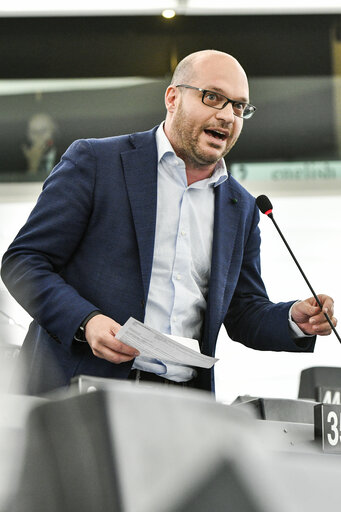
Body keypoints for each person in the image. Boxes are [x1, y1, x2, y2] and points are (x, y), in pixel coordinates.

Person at [1, 50, 337, 396]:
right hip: (78, 395)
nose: (227, 116)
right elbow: (24, 262)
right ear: (173, 98)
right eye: (213, 97)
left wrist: (292, 320)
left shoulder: (242, 208)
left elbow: (242, 311)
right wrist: (86, 322)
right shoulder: (96, 162)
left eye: (238, 107)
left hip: (180, 406)